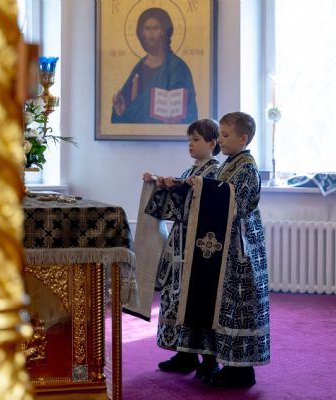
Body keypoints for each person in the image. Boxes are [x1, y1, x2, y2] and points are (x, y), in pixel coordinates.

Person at [195, 111, 270, 387]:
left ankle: (242, 370)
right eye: (220, 135)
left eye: (225, 136)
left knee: (240, 307)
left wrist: (204, 188)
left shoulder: (247, 167)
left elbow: (235, 204)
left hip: (242, 249)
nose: (221, 140)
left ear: (243, 138)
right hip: (226, 247)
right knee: (226, 306)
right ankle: (228, 364)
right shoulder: (229, 164)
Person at [143, 119, 220, 379]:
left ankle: (208, 359)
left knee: (197, 300)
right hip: (180, 244)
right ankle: (184, 353)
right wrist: (161, 184)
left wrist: (179, 185)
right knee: (175, 296)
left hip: (198, 248)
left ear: (212, 143)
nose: (190, 144)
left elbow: (209, 204)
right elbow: (178, 206)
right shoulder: (191, 170)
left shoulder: (215, 172)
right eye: (189, 139)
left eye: (196, 140)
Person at [111, 7, 198, 124]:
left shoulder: (177, 68)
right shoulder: (139, 68)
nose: (151, 34)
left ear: (163, 32)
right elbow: (127, 113)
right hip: (137, 135)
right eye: (147, 29)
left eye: (156, 28)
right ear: (142, 33)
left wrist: (176, 119)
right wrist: (120, 111)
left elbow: (189, 110)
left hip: (167, 133)